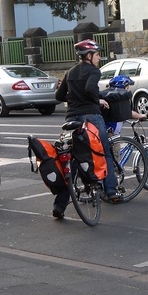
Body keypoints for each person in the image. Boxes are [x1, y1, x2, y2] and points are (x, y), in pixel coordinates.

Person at [54, 39, 121, 220]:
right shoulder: (93, 71)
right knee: (103, 152)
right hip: (90, 117)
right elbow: (90, 89)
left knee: (74, 159)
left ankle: (60, 205)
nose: (99, 58)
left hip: (71, 118)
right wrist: (97, 99)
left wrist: (74, 97)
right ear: (89, 56)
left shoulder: (70, 72)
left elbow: (59, 96)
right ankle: (111, 190)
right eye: (97, 54)